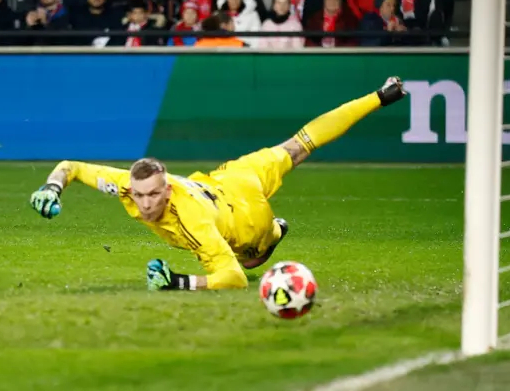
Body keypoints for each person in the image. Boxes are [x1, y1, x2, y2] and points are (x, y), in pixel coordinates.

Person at [28, 77, 407, 291]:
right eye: (140, 195)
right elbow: (71, 166)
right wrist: (51, 187)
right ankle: (381, 94)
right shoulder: (126, 185)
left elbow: (234, 278)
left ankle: (274, 233)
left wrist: (179, 283)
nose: (145, 204)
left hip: (246, 220)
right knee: (297, 145)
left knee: (252, 257)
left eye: (153, 195)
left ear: (168, 189)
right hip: (230, 179)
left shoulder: (192, 220)